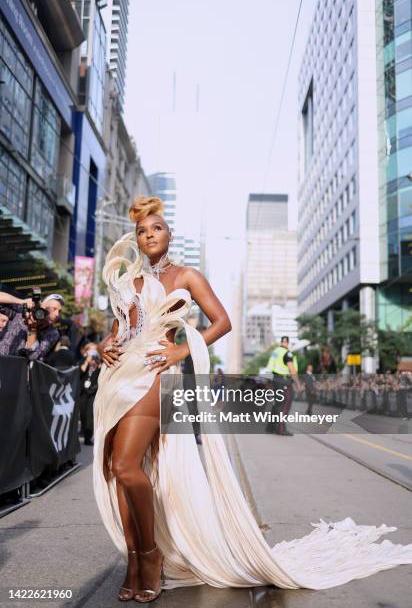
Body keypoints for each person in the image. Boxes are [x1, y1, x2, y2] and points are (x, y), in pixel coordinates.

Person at [93, 196, 412, 603]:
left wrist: (181, 350)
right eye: (142, 230)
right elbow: (123, 328)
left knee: (126, 465)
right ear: (135, 239)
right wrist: (106, 343)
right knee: (117, 470)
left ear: (169, 235)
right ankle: (134, 559)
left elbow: (222, 322)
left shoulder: (188, 275)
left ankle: (152, 555)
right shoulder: (130, 281)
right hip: (119, 377)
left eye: (156, 228)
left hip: (156, 376)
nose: (149, 234)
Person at [0, 291, 63, 361]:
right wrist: (20, 301)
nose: (57, 314)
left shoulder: (52, 333)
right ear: (42, 306)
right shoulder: (21, 311)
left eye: (59, 311)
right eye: (54, 309)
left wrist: (32, 329)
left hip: (18, 369)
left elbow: (33, 357)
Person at [265, 336, 301, 436]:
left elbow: (270, 367)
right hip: (284, 381)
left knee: (277, 403)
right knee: (285, 404)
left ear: (281, 342)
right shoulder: (287, 353)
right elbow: (292, 369)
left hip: (275, 380)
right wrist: (298, 384)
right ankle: (280, 429)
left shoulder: (275, 352)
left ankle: (271, 427)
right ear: (287, 343)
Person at [79, 348, 101, 445]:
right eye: (91, 359)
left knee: (89, 416)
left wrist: (93, 388)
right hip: (83, 394)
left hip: (92, 394)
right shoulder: (86, 368)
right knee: (83, 415)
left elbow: (100, 382)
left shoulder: (99, 369)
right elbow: (80, 372)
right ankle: (84, 432)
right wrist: (86, 361)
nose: (93, 362)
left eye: (94, 359)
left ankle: (88, 437)